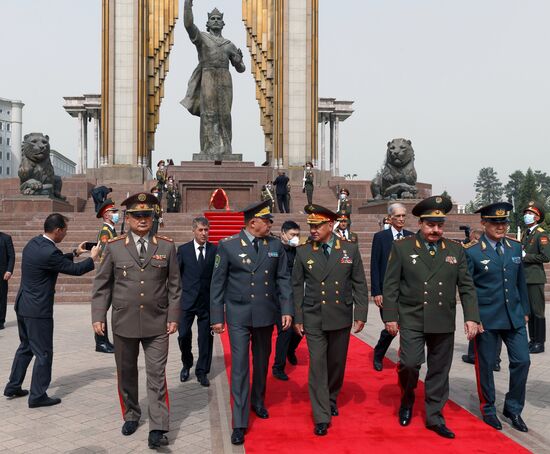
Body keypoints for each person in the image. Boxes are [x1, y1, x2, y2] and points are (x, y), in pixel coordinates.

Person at [382, 195, 480, 439]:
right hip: (412, 317)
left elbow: (466, 286)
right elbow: (391, 285)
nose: (436, 230)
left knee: (439, 371)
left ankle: (435, 416)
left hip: (442, 319)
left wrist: (471, 317)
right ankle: (407, 397)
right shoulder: (403, 247)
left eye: (440, 225)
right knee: (410, 363)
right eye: (430, 225)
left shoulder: (455, 250)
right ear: (420, 224)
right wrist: (390, 317)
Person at [91, 192, 181, 450]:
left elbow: (175, 286)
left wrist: (173, 316)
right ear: (128, 218)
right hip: (124, 322)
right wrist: (99, 316)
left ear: (153, 217)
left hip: (157, 322)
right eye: (138, 215)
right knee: (127, 373)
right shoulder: (115, 246)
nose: (143, 219)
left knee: (156, 374)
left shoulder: (166, 246)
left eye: (147, 215)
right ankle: (132, 413)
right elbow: (102, 285)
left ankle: (158, 427)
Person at [210, 200, 292, 446]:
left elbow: (283, 279)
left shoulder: (276, 245)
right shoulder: (228, 246)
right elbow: (217, 283)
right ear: (253, 222)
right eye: (267, 221)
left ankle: (258, 401)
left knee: (261, 362)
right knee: (240, 366)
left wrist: (287, 309)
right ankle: (239, 420)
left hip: (265, 314)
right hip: (238, 314)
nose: (270, 225)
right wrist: (216, 317)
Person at [4, 214, 98, 407]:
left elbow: (53, 261)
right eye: (65, 231)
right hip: (38, 310)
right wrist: (92, 258)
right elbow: (75, 270)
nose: (65, 234)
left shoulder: (34, 243)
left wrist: (75, 252)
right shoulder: (49, 252)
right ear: (58, 230)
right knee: (43, 353)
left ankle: (13, 386)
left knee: (26, 348)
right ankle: (38, 396)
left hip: (23, 306)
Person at [293, 204, 369, 436]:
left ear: (330, 225)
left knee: (336, 364)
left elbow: (359, 284)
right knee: (317, 365)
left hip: (340, 315)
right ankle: (321, 415)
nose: (313, 230)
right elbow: (296, 286)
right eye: (311, 226)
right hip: (314, 315)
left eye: (317, 226)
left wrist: (361, 314)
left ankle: (331, 397)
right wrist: (298, 316)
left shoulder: (349, 249)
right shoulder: (303, 251)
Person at [464, 202, 530, 432]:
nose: (500, 226)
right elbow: (468, 288)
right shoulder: (472, 252)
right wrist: (472, 317)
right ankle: (488, 408)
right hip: (487, 318)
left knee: (523, 361)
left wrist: (526, 311)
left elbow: (521, 282)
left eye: (504, 222)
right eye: (495, 222)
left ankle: (513, 408)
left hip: (514, 317)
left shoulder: (514, 248)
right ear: (483, 223)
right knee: (486, 365)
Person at [181, 0, 246, 158]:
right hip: (208, 75)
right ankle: (208, 149)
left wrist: (238, 60)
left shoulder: (229, 44)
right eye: (213, 19)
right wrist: (188, 5)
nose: (216, 21)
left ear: (223, 23)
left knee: (224, 114)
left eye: (218, 19)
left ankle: (225, 148)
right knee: (208, 113)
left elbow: (241, 68)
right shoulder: (202, 38)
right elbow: (189, 25)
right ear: (208, 23)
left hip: (225, 78)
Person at [370, 203, 413, 371]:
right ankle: (379, 354)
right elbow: (375, 265)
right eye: (398, 216)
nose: (401, 219)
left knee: (408, 327)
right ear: (390, 218)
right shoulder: (380, 237)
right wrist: (376, 292)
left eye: (403, 216)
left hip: (407, 292)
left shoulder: (411, 237)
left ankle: (406, 359)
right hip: (387, 292)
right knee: (391, 328)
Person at [177, 217, 217, 387]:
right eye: (200, 230)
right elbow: (176, 276)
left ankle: (202, 371)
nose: (204, 233)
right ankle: (187, 363)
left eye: (206, 230)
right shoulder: (184, 250)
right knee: (183, 335)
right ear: (193, 230)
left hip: (206, 303)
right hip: (187, 302)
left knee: (205, 339)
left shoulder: (215, 250)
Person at [462, 229, 503, 369]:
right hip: (492, 300)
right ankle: (494, 360)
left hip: (485, 300)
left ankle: (479, 357)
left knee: (484, 330)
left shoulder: (484, 252)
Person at [272, 220, 301, 380]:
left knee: (300, 330)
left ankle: (291, 349)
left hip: (296, 297)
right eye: (292, 235)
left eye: (297, 235)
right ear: (283, 234)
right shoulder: (275, 249)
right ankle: (278, 367)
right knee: (285, 331)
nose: (296, 238)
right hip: (279, 298)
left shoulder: (300, 251)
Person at [521, 200, 550, 354]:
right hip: (525, 277)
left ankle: (540, 342)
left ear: (537, 217)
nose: (527, 215)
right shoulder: (527, 233)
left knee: (537, 312)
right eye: (526, 213)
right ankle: (532, 340)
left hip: (535, 277)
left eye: (531, 213)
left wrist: (526, 256)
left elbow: (546, 256)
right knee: (529, 312)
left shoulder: (541, 234)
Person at [93, 199, 119, 354]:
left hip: (111, 272)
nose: (116, 214)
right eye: (114, 212)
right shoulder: (105, 231)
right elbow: (104, 254)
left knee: (105, 308)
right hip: (108, 273)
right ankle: (101, 342)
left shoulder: (111, 229)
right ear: (106, 214)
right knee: (102, 308)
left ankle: (103, 341)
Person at [0, 231, 15, 330]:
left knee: (1, 297)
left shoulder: (6, 238)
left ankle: (0, 321)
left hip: (2, 274)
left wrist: (9, 270)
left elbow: (11, 256)